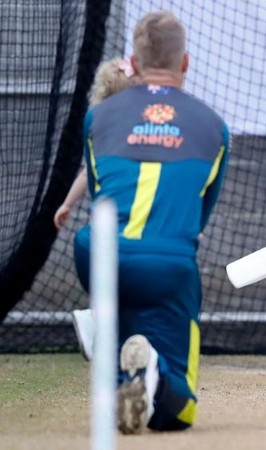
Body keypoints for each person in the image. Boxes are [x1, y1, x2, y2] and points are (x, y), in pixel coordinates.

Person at [73, 11, 230, 433]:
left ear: (135, 62)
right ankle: (155, 374)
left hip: (99, 256)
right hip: (169, 264)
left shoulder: (97, 119)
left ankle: (113, 344)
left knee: (109, 267)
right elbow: (199, 216)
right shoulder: (215, 128)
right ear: (185, 63)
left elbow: (99, 193)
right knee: (179, 416)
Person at [54, 58, 139, 361]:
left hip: (99, 234)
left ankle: (101, 324)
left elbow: (84, 173)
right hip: (129, 228)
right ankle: (99, 324)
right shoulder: (132, 134)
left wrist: (66, 204)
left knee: (119, 287)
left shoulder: (98, 130)